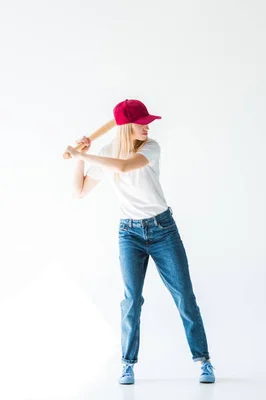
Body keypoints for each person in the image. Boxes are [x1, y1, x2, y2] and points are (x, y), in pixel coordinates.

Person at [66, 99, 215, 385]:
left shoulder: (151, 148)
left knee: (184, 295)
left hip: (163, 230)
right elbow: (79, 191)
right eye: (141, 122)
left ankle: (203, 360)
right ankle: (127, 364)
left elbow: (123, 167)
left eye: (148, 121)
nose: (148, 126)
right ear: (126, 127)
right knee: (131, 300)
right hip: (129, 234)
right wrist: (80, 157)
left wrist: (83, 154)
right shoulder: (107, 152)